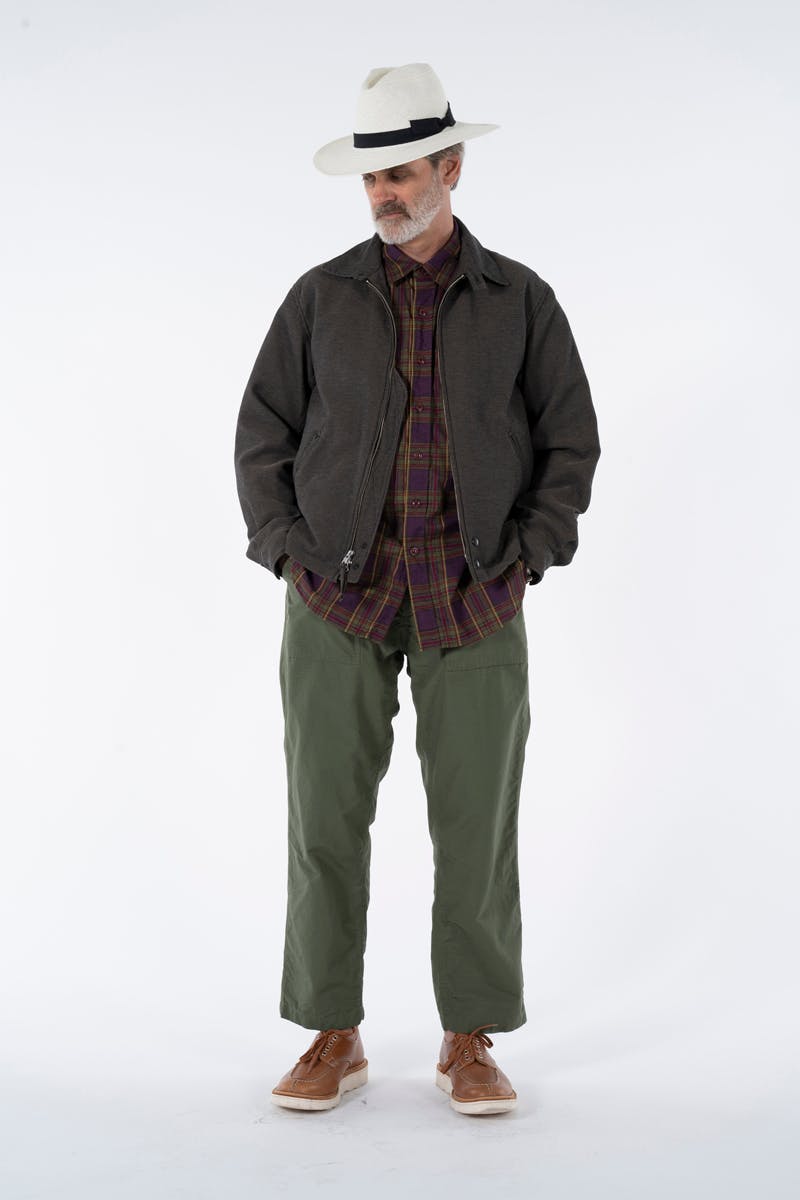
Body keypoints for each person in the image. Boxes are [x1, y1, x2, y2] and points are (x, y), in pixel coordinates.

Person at [233, 62, 601, 1116]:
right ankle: (331, 1033)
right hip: (334, 602)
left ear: (451, 167)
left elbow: (569, 442)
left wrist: (529, 554)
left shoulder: (519, 300)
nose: (382, 194)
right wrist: (286, 553)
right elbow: (261, 436)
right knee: (322, 822)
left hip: (474, 601)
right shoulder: (320, 297)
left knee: (477, 828)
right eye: (370, 177)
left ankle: (468, 1037)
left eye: (399, 172)